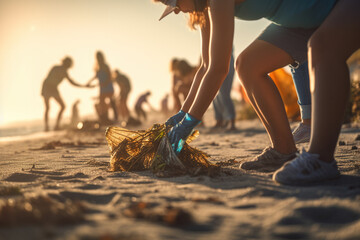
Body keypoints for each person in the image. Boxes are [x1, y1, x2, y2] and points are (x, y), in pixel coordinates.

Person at [156, 0, 347, 184]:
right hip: (293, 22)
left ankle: (308, 153)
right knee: (247, 65)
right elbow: (205, 67)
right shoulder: (205, 8)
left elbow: (218, 70)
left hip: (317, 10)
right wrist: (182, 113)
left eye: (173, 4)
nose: (177, 11)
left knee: (247, 64)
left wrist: (189, 122)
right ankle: (283, 151)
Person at [41, 56, 86, 131]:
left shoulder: (64, 72)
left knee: (62, 106)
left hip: (53, 88)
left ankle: (56, 125)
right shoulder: (56, 68)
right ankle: (46, 127)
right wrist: (83, 86)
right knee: (47, 107)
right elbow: (50, 78)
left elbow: (72, 82)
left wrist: (83, 86)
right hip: (47, 86)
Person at [86, 51, 118, 124]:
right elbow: (95, 76)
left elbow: (110, 76)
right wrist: (88, 83)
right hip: (102, 88)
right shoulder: (97, 68)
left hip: (108, 87)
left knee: (111, 101)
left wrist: (105, 83)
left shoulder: (106, 66)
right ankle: (105, 118)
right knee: (102, 103)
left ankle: (115, 118)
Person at [212, 50, 237, 131]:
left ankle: (231, 122)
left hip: (226, 58)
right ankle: (219, 120)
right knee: (214, 94)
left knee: (224, 93)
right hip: (214, 59)